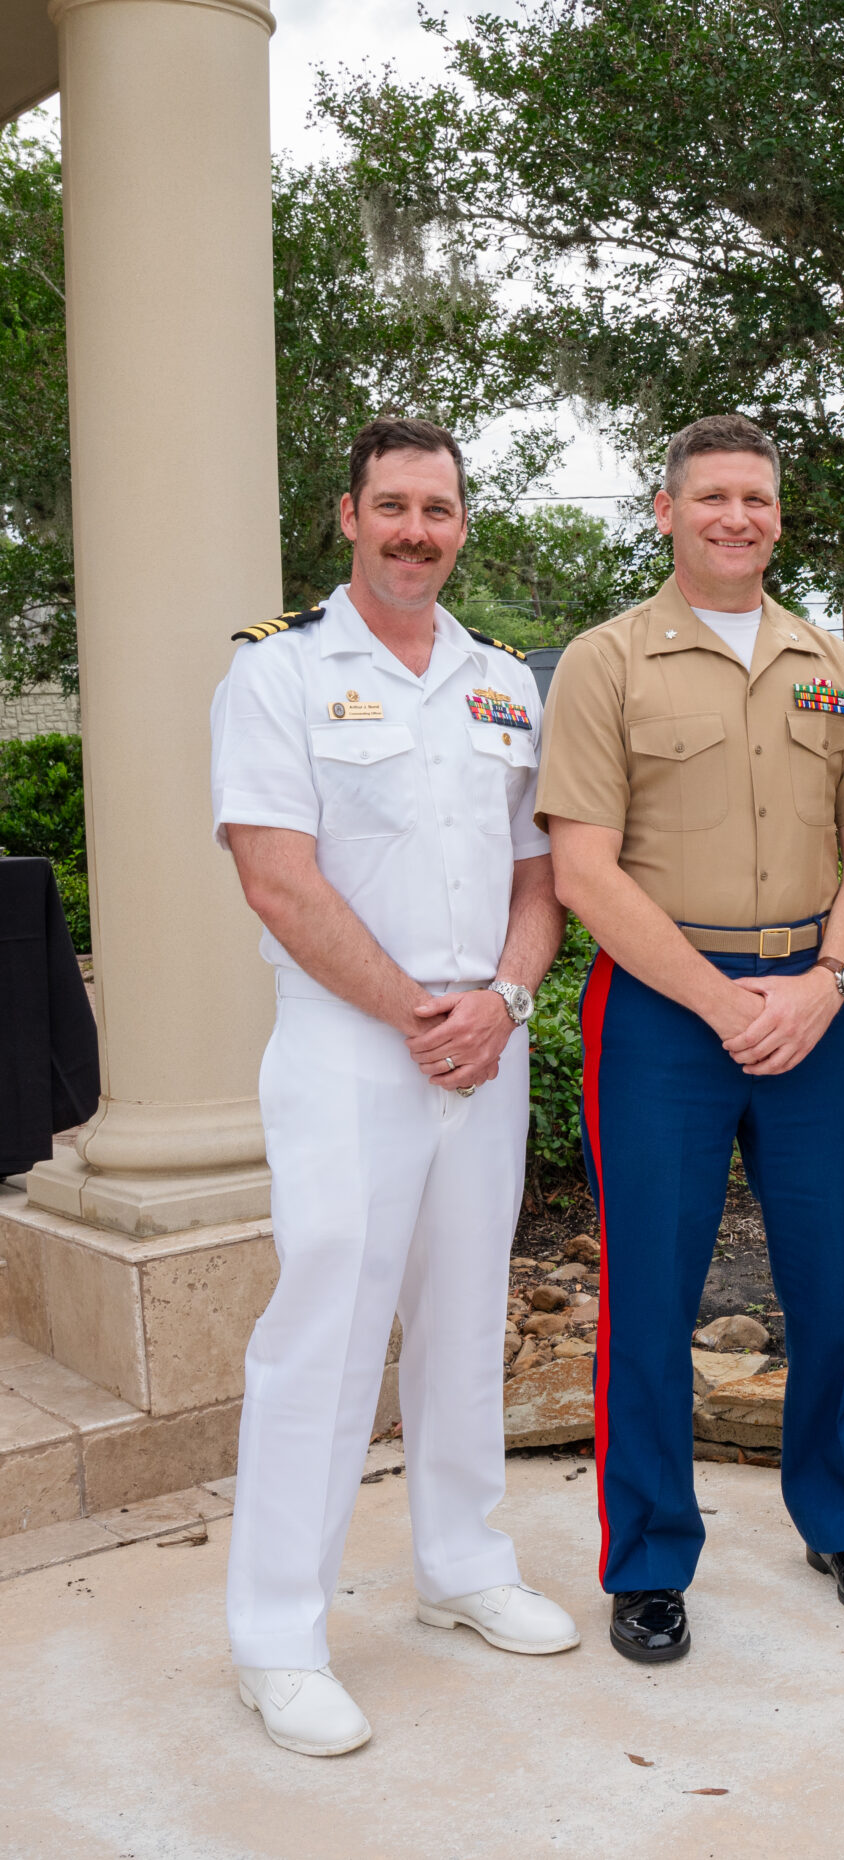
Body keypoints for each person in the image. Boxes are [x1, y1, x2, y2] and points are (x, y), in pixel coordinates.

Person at [212, 416, 575, 1758]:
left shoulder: (501, 684)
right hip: (351, 1041)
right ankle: (277, 1637)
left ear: (462, 523)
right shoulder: (279, 675)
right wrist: (419, 1010)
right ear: (348, 516)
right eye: (394, 506)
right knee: (326, 1324)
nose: (417, 529)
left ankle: (462, 1565)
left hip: (487, 1036)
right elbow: (275, 874)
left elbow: (540, 874)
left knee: (465, 1307)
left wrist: (503, 1003)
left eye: (439, 508)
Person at [538, 413, 844, 1665]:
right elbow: (582, 868)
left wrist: (826, 981)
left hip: (814, 1003)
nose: (736, 517)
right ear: (666, 513)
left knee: (834, 1283)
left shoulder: (831, 664)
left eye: (756, 498)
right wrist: (715, 997)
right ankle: (647, 1559)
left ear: (778, 516)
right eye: (712, 499)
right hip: (662, 1012)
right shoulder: (606, 661)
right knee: (651, 1292)